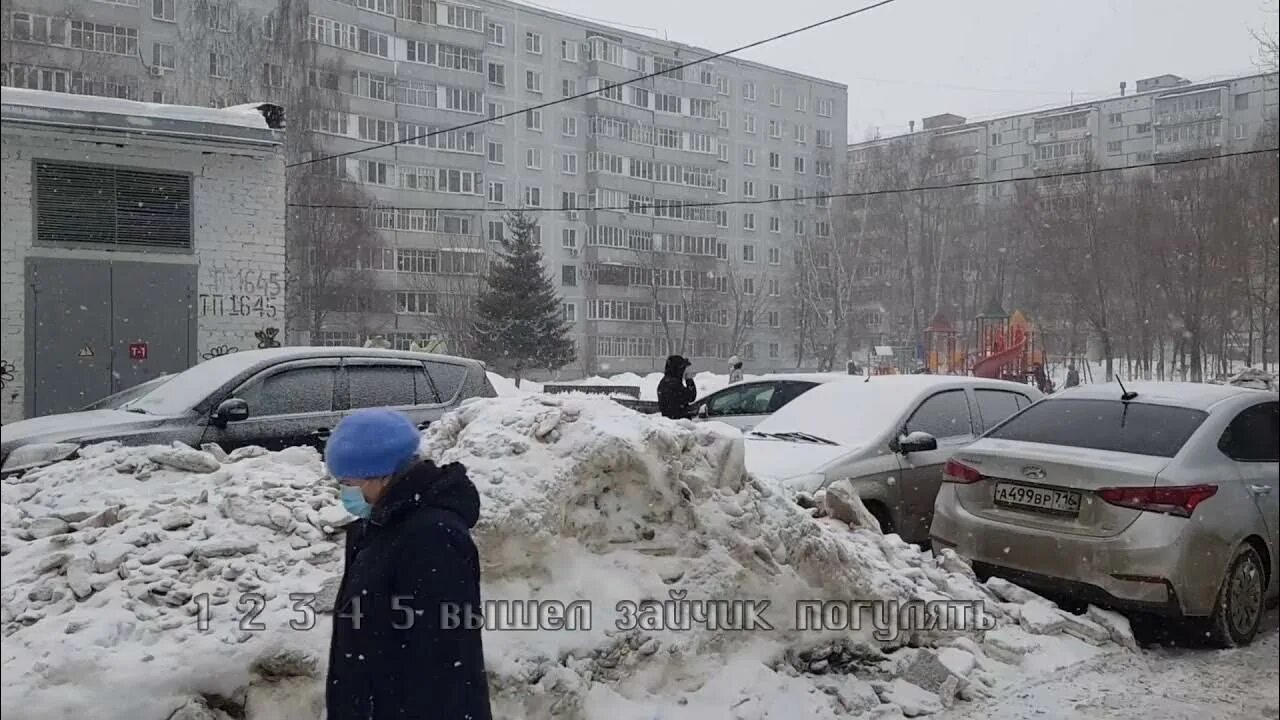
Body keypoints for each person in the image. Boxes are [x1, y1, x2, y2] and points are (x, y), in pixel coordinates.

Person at [324, 408, 492, 720]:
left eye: (347, 480)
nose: (343, 490)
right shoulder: (374, 528)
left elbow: (445, 660)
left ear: (380, 474)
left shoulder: (432, 537)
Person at [657, 355, 697, 420]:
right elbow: (691, 396)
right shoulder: (673, 384)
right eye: (683, 369)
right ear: (678, 369)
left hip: (671, 422)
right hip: (677, 423)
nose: (684, 372)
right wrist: (689, 379)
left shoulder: (665, 382)